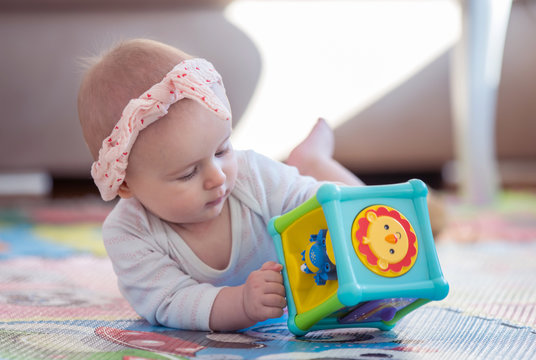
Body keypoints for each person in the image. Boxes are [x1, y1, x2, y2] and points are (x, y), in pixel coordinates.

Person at [77, 38, 437, 332]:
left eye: (222, 149)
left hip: (297, 209)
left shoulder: (250, 174)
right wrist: (240, 304)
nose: (217, 176)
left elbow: (316, 205)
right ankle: (309, 163)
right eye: (187, 173)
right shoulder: (129, 234)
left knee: (356, 209)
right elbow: (169, 301)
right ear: (125, 186)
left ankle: (315, 164)